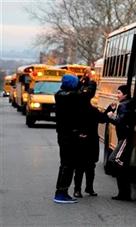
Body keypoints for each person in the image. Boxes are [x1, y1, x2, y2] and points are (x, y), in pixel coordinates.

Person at [72, 69, 107, 198]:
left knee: (81, 166)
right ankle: (88, 188)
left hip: (81, 140)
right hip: (90, 140)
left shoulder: (75, 109)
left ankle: (78, 189)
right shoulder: (91, 110)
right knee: (89, 166)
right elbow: (103, 118)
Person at [53, 74, 81, 204]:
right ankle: (61, 193)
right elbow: (84, 95)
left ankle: (61, 191)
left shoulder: (59, 94)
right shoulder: (72, 97)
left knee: (65, 163)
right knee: (68, 165)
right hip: (69, 135)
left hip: (63, 134)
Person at [106, 85, 133, 201]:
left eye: (119, 93)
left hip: (125, 138)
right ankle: (123, 193)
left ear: (125, 94)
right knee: (118, 162)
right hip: (124, 138)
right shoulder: (127, 104)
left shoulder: (123, 105)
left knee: (115, 160)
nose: (117, 95)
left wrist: (111, 116)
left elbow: (120, 122)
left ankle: (126, 177)